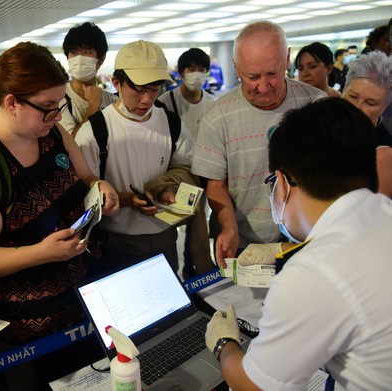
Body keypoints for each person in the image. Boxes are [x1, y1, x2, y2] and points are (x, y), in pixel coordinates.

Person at [0, 41, 119, 386]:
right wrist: (41, 253)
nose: (56, 116)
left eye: (59, 105)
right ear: (11, 103)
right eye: (47, 107)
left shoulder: (50, 132)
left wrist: (101, 187)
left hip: (82, 302)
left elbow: (86, 177)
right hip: (28, 327)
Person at [205, 97, 392, 390]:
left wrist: (224, 342)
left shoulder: (310, 274)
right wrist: (279, 250)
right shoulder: (382, 210)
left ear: (282, 182)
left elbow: (254, 386)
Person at [192, 20, 326, 268]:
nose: (264, 87)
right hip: (246, 242)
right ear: (235, 67)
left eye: (273, 74)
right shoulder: (217, 118)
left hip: (309, 238)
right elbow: (216, 184)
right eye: (252, 77)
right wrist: (228, 226)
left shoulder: (317, 105)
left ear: (287, 59)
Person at [75, 40, 194, 274]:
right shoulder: (95, 130)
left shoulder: (171, 123)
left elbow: (187, 169)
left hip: (165, 236)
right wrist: (128, 199)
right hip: (115, 241)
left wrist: (170, 189)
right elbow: (82, 192)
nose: (147, 99)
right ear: (117, 83)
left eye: (154, 89)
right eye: (139, 90)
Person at [158, 47, 215, 278]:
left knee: (198, 227)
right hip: (177, 175)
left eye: (202, 70)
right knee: (170, 223)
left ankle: (193, 271)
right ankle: (173, 271)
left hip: (202, 173)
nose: (197, 74)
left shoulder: (211, 103)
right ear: (181, 72)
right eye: (192, 69)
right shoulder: (166, 101)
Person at [342, 50, 392, 197]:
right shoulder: (319, 126)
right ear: (343, 90)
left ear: (385, 107)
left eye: (370, 103)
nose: (357, 107)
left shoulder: (384, 155)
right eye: (352, 96)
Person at [59, 22, 117, 137]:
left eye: (87, 52)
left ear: (101, 59)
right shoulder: (59, 98)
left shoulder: (112, 101)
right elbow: (73, 143)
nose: (79, 58)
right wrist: (93, 106)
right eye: (74, 52)